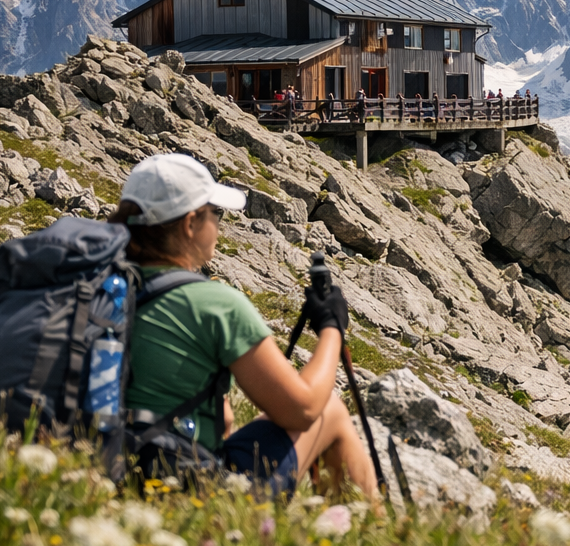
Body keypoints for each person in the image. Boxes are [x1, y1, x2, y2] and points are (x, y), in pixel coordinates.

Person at [113, 153, 378, 502]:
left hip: (98, 472)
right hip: (183, 490)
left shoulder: (98, 287)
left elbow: (222, 420)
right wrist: (331, 327)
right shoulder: (214, 304)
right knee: (330, 412)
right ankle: (369, 542)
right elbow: (302, 411)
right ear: (191, 223)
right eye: (215, 214)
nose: (218, 226)